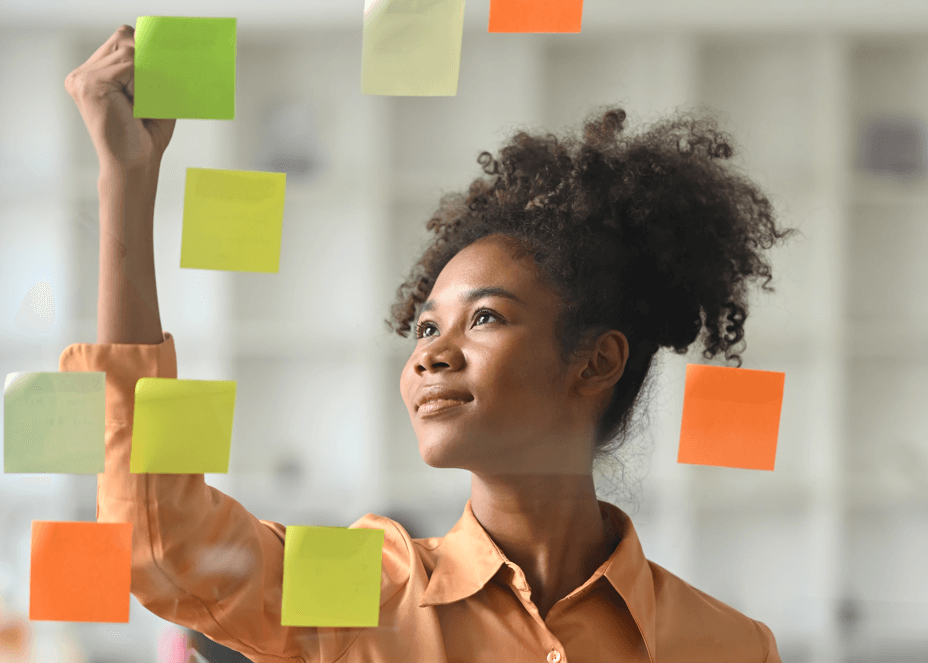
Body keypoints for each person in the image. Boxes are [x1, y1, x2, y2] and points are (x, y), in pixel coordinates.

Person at [60, 24, 800, 663]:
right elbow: (160, 542)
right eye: (424, 326)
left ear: (596, 359)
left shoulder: (729, 645)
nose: (429, 354)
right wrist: (126, 179)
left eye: (484, 318)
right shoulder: (364, 592)